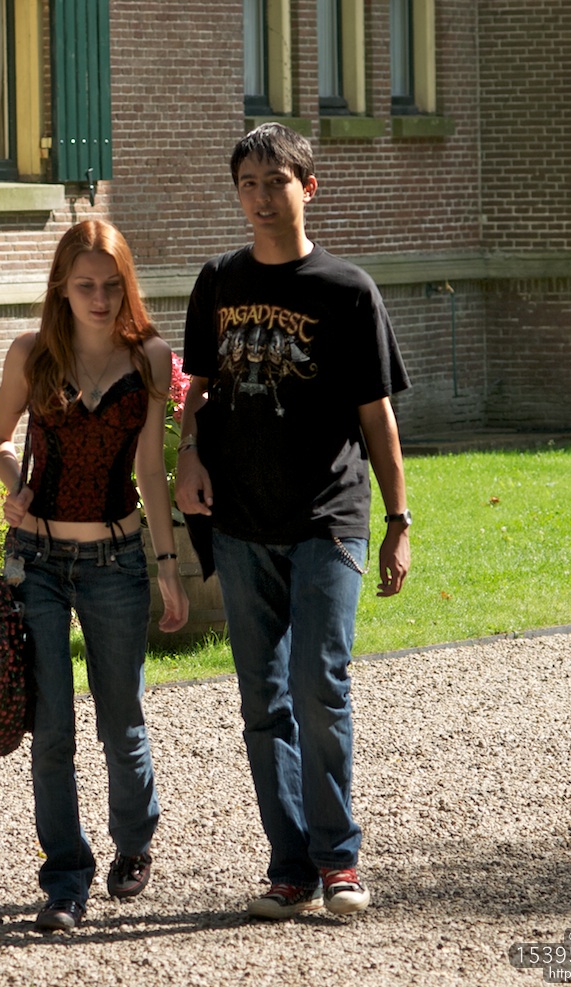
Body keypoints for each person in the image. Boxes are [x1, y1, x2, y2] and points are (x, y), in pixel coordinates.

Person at [174, 122, 412, 920]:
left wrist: (398, 520)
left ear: (307, 188)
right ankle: (289, 867)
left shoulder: (347, 290)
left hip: (327, 518)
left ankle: (337, 859)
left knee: (319, 687)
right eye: (247, 184)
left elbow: (375, 416)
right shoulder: (216, 281)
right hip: (239, 522)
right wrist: (187, 456)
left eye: (275, 182)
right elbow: (197, 389)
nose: (261, 198)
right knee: (262, 701)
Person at [0, 219, 190, 932]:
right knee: (51, 732)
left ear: (126, 287)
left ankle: (133, 842)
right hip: (37, 562)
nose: (99, 300)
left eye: (111, 286)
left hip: (116, 560)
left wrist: (168, 568)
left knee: (121, 718)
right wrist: (14, 486)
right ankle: (65, 879)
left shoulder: (151, 359)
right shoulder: (30, 354)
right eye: (84, 286)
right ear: (61, 288)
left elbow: (150, 474)